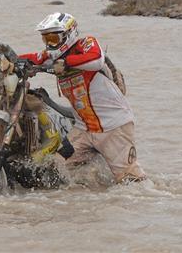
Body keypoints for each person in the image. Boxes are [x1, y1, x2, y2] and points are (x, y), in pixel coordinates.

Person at [19, 12, 146, 183]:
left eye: (53, 39)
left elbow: (96, 58)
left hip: (114, 127)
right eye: (46, 39)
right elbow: (34, 58)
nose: (49, 44)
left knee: (131, 182)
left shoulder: (86, 44)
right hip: (84, 130)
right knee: (56, 166)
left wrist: (67, 63)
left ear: (68, 34)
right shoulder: (52, 56)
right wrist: (9, 59)